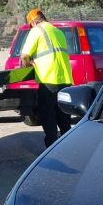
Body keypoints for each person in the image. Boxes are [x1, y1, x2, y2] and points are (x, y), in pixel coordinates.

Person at [19, 9, 74, 147]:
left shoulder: (36, 31)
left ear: (34, 22)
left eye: (31, 25)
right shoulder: (58, 32)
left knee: (48, 116)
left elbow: (24, 56)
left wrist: (26, 67)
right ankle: (67, 145)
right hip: (65, 80)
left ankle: (51, 147)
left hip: (48, 79)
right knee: (64, 117)